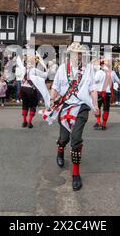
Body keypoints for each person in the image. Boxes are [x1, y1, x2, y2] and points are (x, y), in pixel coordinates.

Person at [44, 42, 98, 191]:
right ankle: (60, 148)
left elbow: (93, 88)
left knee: (75, 139)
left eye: (79, 53)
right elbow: (55, 86)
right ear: (70, 54)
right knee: (64, 138)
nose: (77, 55)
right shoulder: (62, 68)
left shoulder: (88, 69)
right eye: (74, 53)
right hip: (66, 106)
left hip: (82, 107)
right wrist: (52, 99)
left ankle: (75, 174)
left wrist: (95, 104)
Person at [19, 56, 48, 128]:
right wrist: (47, 70)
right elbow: (45, 75)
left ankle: (24, 121)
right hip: (31, 90)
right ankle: (29, 122)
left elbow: (20, 78)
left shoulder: (23, 69)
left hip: (23, 89)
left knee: (24, 104)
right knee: (32, 105)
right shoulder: (34, 70)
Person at [93, 59, 120, 130]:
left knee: (98, 108)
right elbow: (119, 82)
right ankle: (103, 125)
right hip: (108, 94)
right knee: (106, 109)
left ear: (102, 65)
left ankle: (98, 122)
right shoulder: (113, 72)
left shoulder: (99, 72)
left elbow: (94, 81)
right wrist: (118, 88)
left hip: (99, 93)